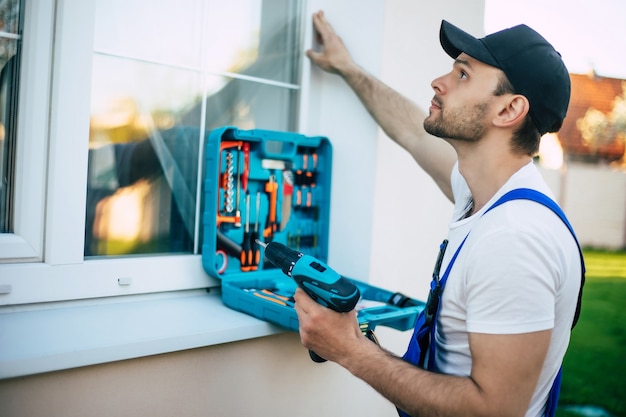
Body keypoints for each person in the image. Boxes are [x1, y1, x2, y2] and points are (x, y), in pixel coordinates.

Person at [294, 10, 583, 417]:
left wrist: (350, 351)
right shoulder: (486, 194)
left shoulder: (516, 240)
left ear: (508, 111)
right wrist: (347, 68)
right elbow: (411, 129)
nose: (439, 81)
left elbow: (494, 410)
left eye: (463, 74)